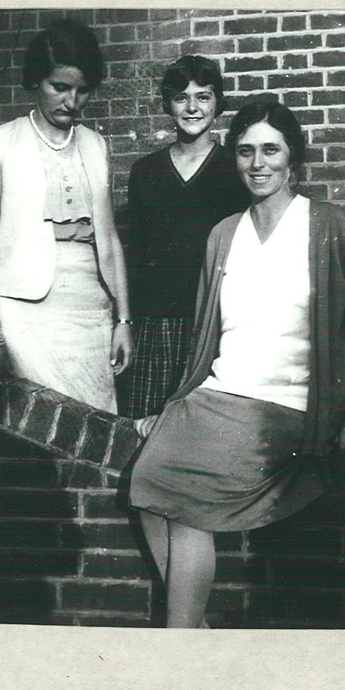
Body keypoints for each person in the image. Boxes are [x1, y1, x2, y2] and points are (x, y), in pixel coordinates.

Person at [129, 97, 345, 628]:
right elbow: (208, 337)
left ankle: (179, 642)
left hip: (282, 406)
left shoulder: (329, 227)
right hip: (215, 396)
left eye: (270, 150)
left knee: (183, 499)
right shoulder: (223, 234)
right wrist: (177, 399)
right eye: (246, 151)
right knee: (145, 484)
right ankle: (196, 632)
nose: (258, 163)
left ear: (293, 157)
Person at [0, 20, 132, 410]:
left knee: (96, 428)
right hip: (25, 315)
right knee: (42, 428)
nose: (72, 102)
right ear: (36, 82)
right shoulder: (1, 143)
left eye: (82, 90)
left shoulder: (95, 145)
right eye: (60, 87)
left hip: (90, 311)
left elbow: (109, 242)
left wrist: (124, 321)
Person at [119, 55, 248, 418]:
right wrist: (127, 323)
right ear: (167, 105)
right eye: (182, 97)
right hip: (156, 326)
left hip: (213, 322)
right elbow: (136, 256)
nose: (192, 108)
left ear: (218, 103)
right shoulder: (145, 172)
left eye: (203, 96)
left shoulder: (234, 169)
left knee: (205, 425)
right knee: (146, 425)